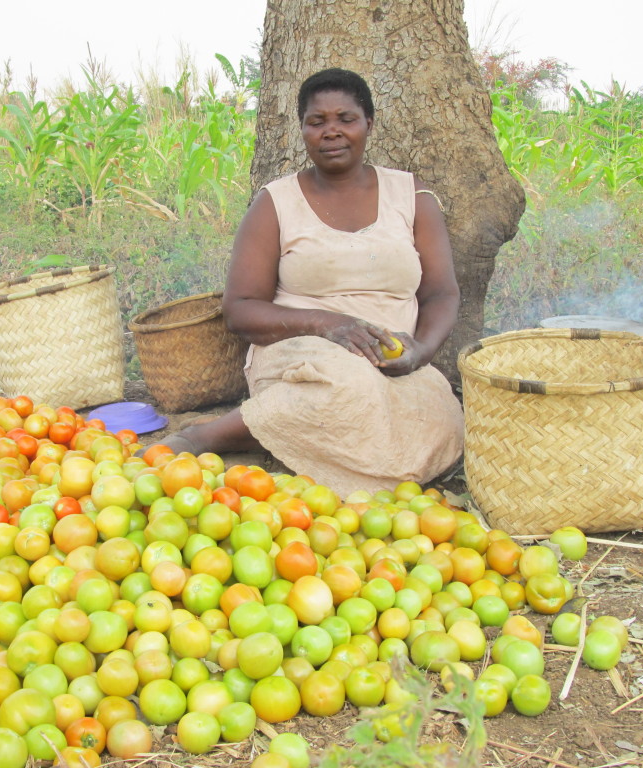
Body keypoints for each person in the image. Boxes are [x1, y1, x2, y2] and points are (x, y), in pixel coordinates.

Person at [150, 68, 464, 498]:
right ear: (302, 130)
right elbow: (240, 308)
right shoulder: (276, 203)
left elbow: (441, 293)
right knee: (346, 386)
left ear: (368, 124)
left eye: (345, 119)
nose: (331, 132)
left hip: (394, 359)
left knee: (442, 423)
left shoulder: (411, 196)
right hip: (303, 353)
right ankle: (208, 438)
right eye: (317, 122)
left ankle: (300, 437)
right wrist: (328, 325)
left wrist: (421, 351)